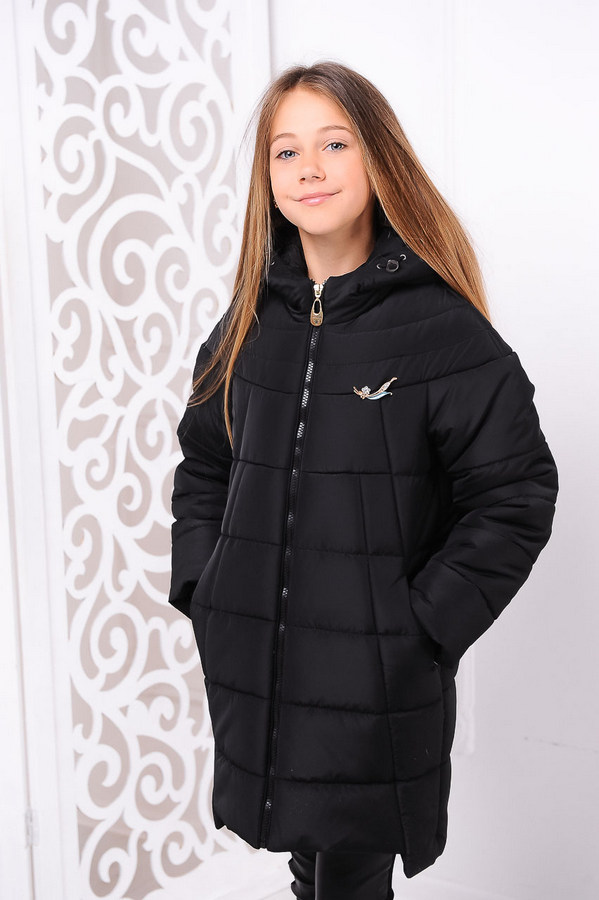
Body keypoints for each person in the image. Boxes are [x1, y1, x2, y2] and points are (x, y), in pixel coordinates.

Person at [167, 61, 559, 899]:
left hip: (375, 683)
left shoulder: (441, 332)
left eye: (334, 144)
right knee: (307, 864)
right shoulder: (245, 327)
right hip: (262, 665)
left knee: (349, 873)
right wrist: (206, 585)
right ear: (266, 179)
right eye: (285, 151)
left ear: (377, 157)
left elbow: (515, 494)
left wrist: (420, 627)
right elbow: (203, 463)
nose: (308, 168)